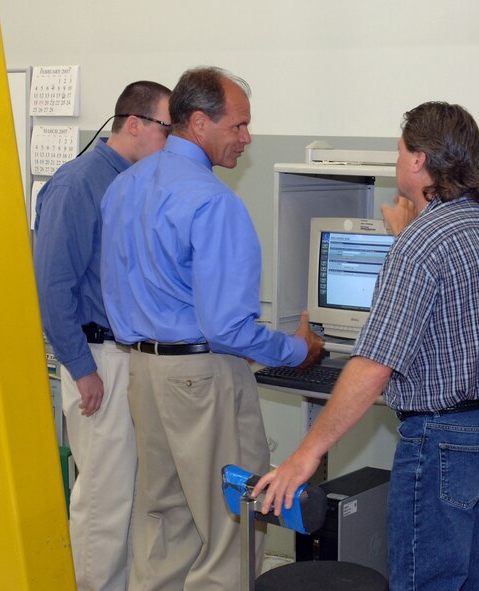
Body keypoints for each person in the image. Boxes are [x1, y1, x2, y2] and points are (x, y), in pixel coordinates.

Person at [254, 101, 479, 590]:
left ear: (419, 160)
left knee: (428, 582)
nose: (396, 159)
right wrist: (409, 234)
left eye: (400, 150)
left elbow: (372, 367)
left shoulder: (422, 245)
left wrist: (305, 456)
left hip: (444, 440)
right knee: (475, 579)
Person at [100, 66, 323, 590]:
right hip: (201, 379)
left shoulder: (124, 186)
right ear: (199, 123)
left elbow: (116, 289)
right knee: (232, 529)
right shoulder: (213, 201)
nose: (247, 138)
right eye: (239, 126)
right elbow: (228, 329)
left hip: (143, 372)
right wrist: (297, 350)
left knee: (163, 524)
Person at [33, 80, 172, 591]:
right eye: (167, 128)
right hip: (98, 360)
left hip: (133, 357)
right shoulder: (80, 183)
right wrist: (81, 367)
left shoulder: (140, 183)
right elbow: (52, 285)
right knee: (104, 501)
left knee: (137, 498)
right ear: (133, 124)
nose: (172, 140)